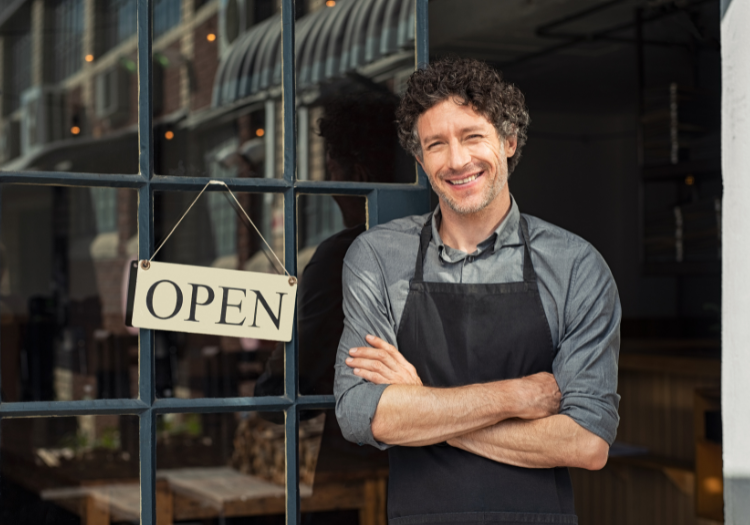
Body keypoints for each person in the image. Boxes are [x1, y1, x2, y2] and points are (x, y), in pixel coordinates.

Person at [334, 57, 621, 524]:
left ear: (508, 141)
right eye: (436, 144)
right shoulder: (379, 258)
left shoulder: (575, 267)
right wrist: (514, 397)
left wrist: (421, 401)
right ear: (420, 159)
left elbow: (586, 443)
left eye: (472, 136)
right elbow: (362, 414)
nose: (457, 160)